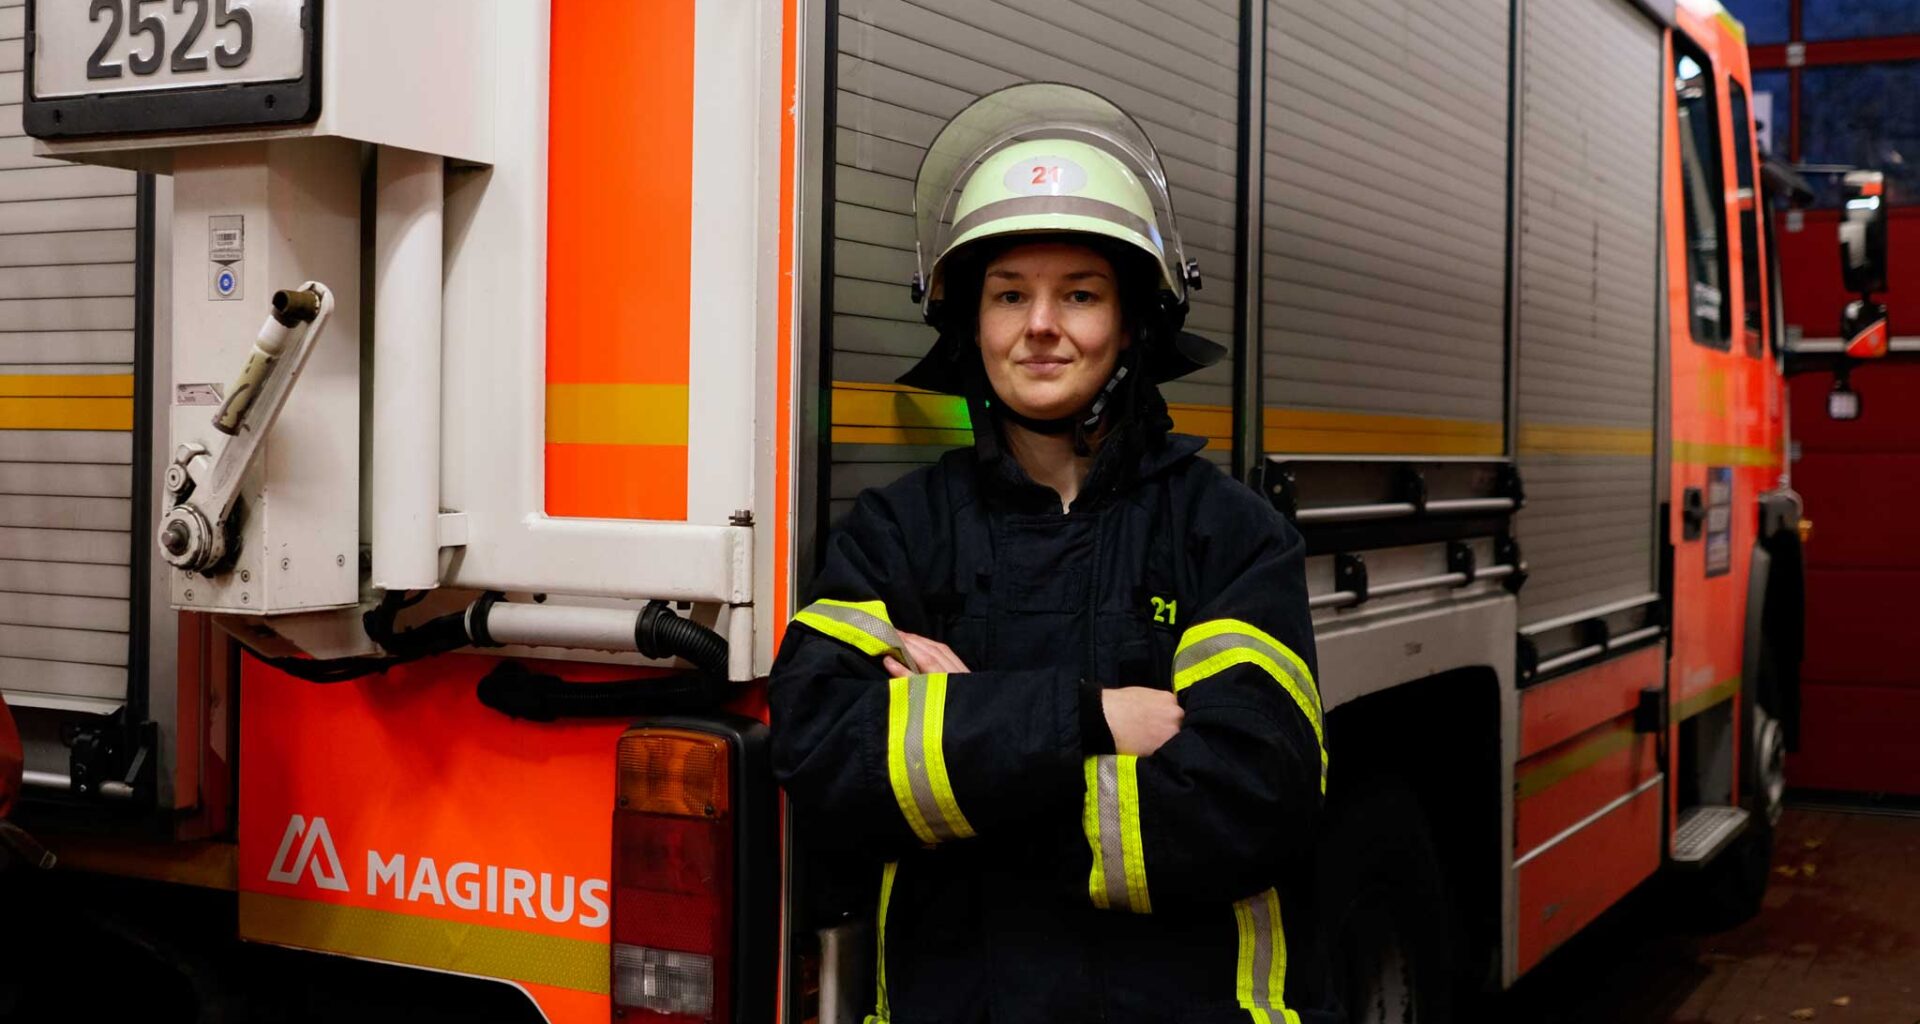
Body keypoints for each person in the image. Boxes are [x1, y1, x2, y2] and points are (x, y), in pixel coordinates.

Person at [771, 84, 1334, 1024]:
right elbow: (824, 750)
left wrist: (961, 760)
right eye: (1008, 295)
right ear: (971, 327)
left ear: (1133, 323)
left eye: (1079, 292)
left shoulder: (1229, 534)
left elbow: (1254, 799)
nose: (1040, 324)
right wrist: (1095, 719)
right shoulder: (898, 531)